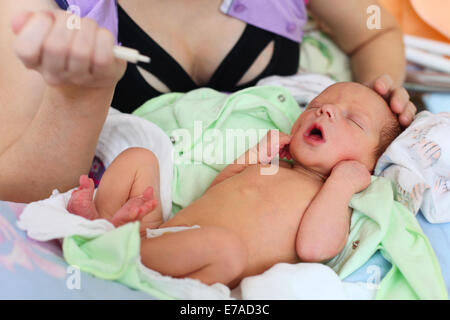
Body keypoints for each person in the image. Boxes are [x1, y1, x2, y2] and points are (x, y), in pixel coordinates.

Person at [0, 0, 416, 202]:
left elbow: (375, 30)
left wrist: (374, 109)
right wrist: (78, 99)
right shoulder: (37, 13)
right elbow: (18, 194)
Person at [66, 81, 403, 288]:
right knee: (139, 157)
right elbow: (216, 194)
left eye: (353, 120)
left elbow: (315, 249)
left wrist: (341, 185)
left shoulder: (331, 198)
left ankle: (116, 247)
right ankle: (106, 223)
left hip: (208, 266)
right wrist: (251, 158)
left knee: (225, 251)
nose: (326, 110)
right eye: (316, 105)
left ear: (370, 165)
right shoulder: (273, 166)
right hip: (165, 232)